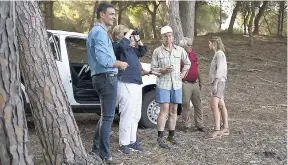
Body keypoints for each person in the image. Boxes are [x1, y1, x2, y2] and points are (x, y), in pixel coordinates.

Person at [86, 2, 128, 164]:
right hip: (106, 78)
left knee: (105, 116)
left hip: (102, 78)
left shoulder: (97, 32)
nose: (113, 16)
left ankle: (96, 151)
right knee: (108, 117)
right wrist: (120, 64)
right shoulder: (100, 33)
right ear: (102, 14)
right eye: (111, 14)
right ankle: (106, 156)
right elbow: (104, 60)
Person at [151, 25, 191, 149]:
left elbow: (188, 62)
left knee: (174, 111)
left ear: (173, 37)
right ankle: (160, 137)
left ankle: (171, 136)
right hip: (163, 84)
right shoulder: (157, 51)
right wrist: (163, 70)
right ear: (162, 38)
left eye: (170, 36)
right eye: (165, 37)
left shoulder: (179, 50)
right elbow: (153, 69)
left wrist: (184, 73)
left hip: (176, 84)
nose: (168, 39)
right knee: (164, 110)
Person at [111, 25, 147, 154]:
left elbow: (143, 51)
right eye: (126, 33)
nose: (129, 35)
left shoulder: (130, 49)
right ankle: (123, 143)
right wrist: (128, 34)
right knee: (127, 114)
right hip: (125, 83)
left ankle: (132, 141)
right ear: (118, 35)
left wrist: (137, 39)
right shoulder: (117, 46)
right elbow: (120, 46)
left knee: (136, 115)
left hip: (136, 83)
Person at [205, 36, 229, 139]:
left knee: (214, 105)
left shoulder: (219, 54)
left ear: (214, 43)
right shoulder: (218, 54)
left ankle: (217, 130)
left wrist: (215, 83)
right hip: (219, 82)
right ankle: (225, 128)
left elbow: (220, 70)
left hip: (218, 82)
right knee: (221, 105)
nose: (209, 45)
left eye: (210, 43)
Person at [179, 37, 205, 132]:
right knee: (186, 104)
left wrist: (200, 80)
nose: (191, 47)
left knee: (198, 104)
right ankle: (187, 125)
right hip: (185, 83)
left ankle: (200, 125)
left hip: (195, 83)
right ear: (183, 46)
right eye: (189, 45)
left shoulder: (193, 54)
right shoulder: (179, 56)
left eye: (191, 45)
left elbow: (196, 68)